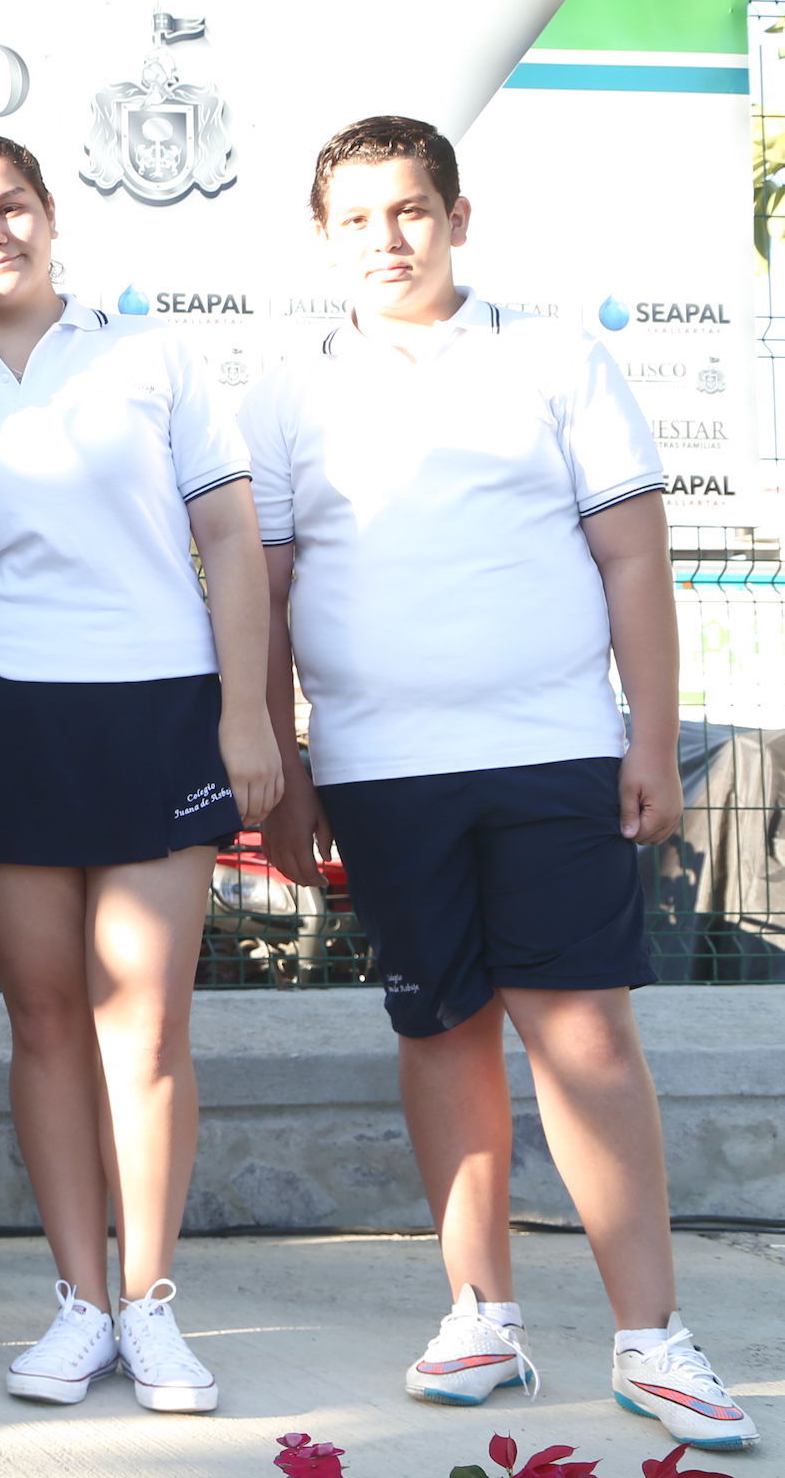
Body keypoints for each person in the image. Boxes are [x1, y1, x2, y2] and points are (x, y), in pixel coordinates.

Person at [247, 115, 757, 1454]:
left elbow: (634, 562)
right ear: (321, 239)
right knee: (439, 1031)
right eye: (356, 218)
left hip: (549, 752)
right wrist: (284, 767)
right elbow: (268, 595)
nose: (386, 238)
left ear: (457, 217)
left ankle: (652, 1340)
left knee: (582, 1033)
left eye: (409, 209)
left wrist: (648, 740)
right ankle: (480, 1313)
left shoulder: (552, 355)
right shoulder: (286, 390)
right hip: (378, 772)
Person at [0, 134, 278, 1416]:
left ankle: (153, 1305)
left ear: (49, 216)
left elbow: (227, 535)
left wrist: (243, 717)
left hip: (157, 716)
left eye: (10, 205)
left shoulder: (151, 354)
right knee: (48, 1017)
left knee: (148, 1022)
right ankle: (77, 1305)